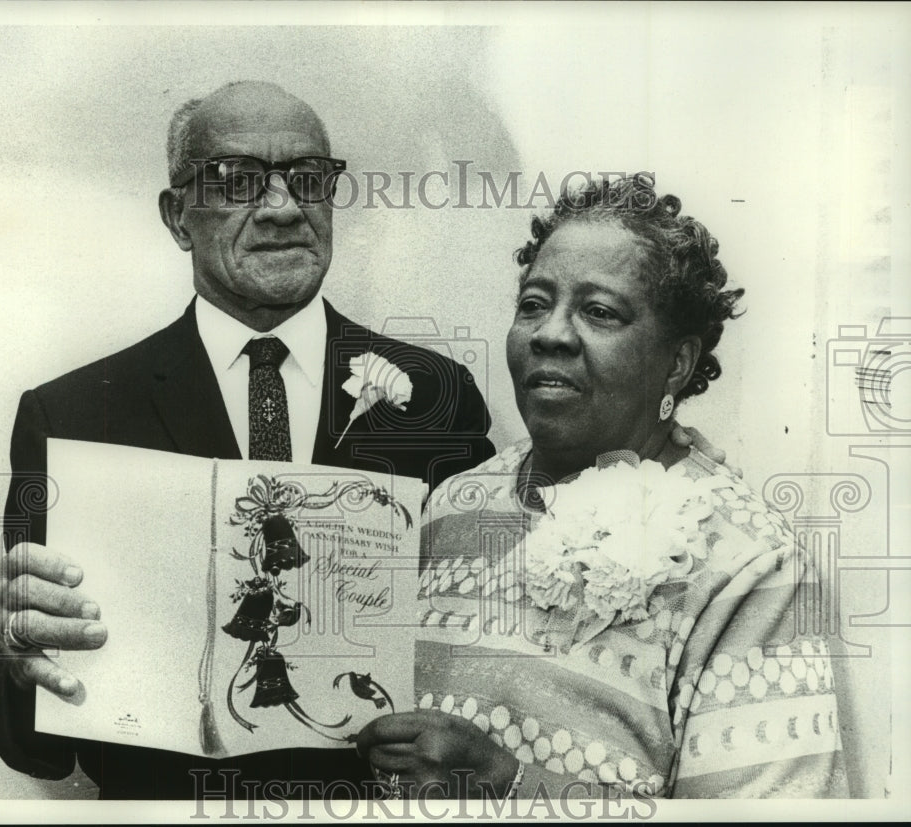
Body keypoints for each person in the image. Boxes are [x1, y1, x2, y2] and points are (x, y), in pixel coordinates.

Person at [0, 80, 497, 800]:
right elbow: (32, 747)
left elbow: (495, 647)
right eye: (237, 180)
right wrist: (11, 646)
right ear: (178, 215)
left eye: (308, 179)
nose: (282, 207)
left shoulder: (435, 394)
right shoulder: (75, 415)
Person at [357, 176, 849, 799]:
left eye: (598, 312)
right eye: (534, 303)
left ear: (677, 363)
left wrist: (510, 787)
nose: (550, 334)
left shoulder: (749, 566)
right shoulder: (453, 505)